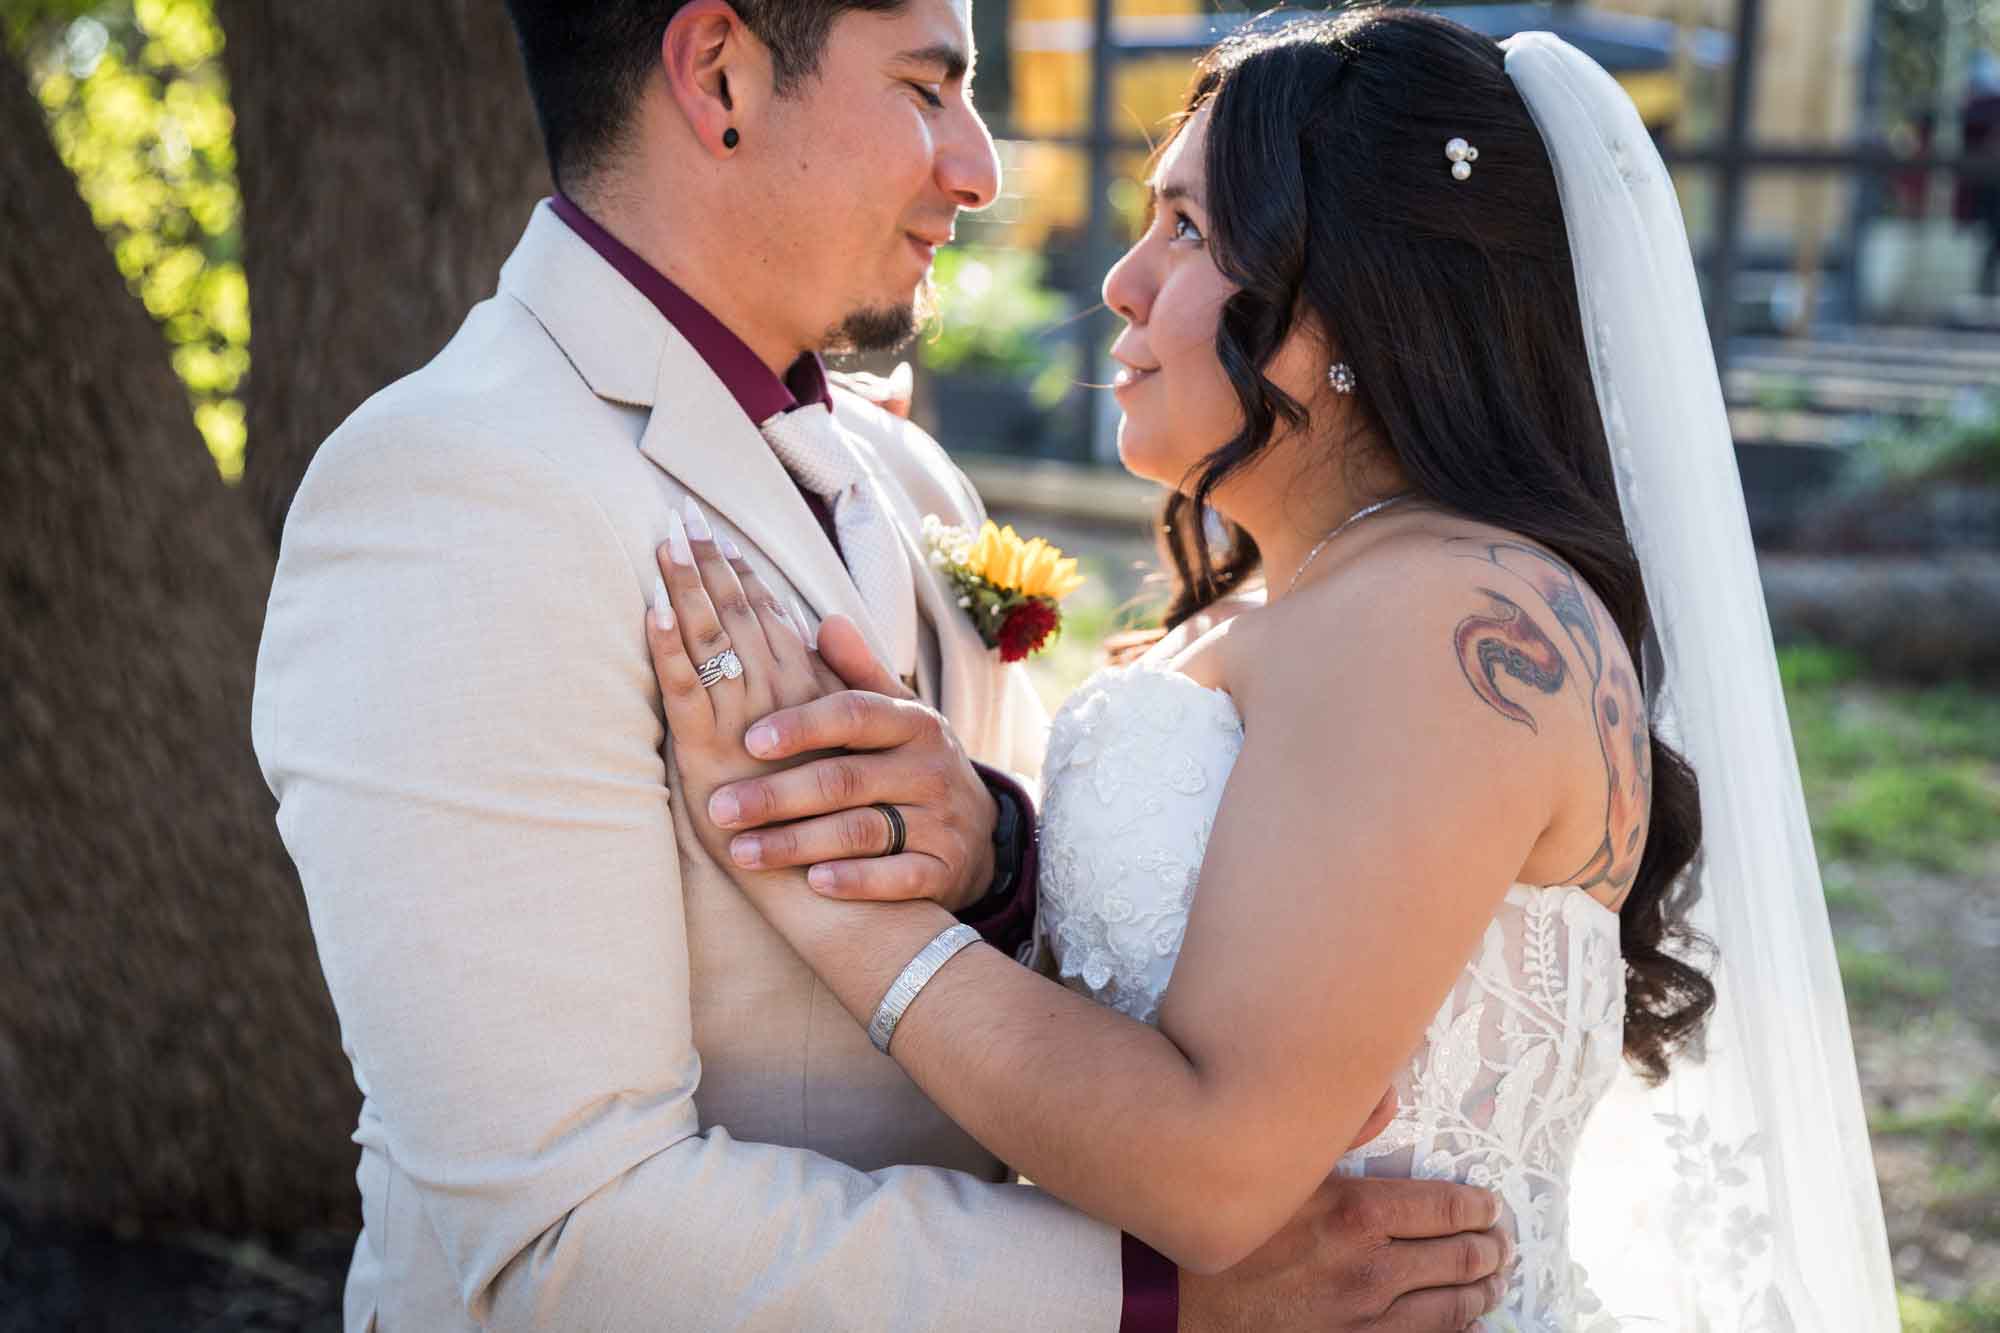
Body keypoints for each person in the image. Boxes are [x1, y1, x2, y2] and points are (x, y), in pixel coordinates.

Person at [251, 1, 1509, 1328]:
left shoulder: (909, 477)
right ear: (721, 74)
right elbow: (566, 1238)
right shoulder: (455, 493)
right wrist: (1160, 1295)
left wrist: (998, 852)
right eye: (926, 89)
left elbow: (1036, 974)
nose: (977, 167)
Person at [647, 10, 1900, 1330]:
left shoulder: (1447, 618)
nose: (1123, 284)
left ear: (1351, 297)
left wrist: (843, 914)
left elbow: (1212, 1173)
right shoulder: (1295, 604)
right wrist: (983, 855)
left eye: (1187, 231)